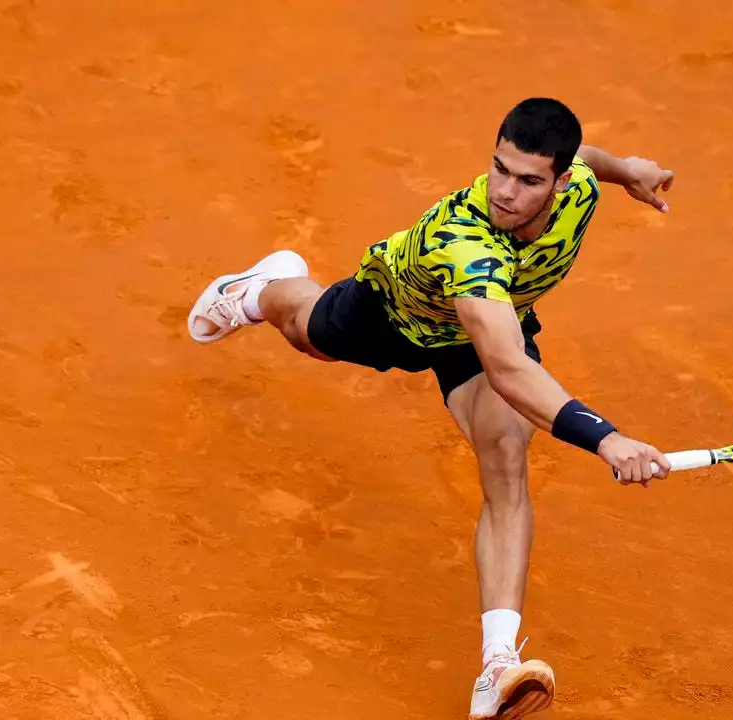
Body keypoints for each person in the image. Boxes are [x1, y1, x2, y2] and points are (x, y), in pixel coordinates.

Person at [187, 97, 674, 719]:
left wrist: (627, 167)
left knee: (504, 457)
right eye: (499, 169)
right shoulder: (465, 243)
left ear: (557, 182)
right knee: (306, 331)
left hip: (494, 321)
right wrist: (605, 438)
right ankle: (256, 289)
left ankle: (497, 666)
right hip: (393, 313)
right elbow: (507, 368)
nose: (506, 191)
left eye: (528, 180)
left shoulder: (577, 183)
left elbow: (588, 158)